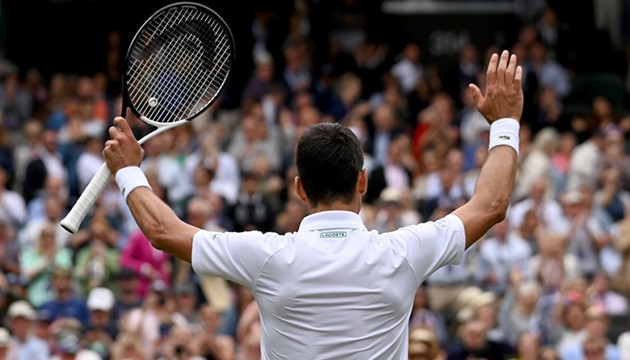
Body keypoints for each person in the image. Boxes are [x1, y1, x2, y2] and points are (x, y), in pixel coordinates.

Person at [101, 50, 523, 358]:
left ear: (299, 189)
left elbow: (164, 232)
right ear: (362, 181)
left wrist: (127, 171)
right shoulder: (403, 254)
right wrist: (504, 123)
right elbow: (490, 205)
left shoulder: (267, 257)